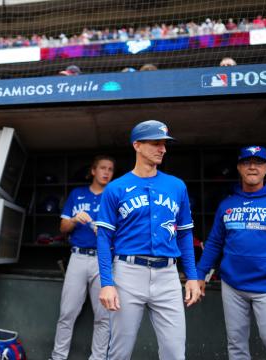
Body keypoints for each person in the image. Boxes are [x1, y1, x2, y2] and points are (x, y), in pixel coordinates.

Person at [95, 120, 201, 360]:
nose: (162, 149)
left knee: (175, 352)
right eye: (155, 143)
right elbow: (103, 238)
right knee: (119, 352)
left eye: (164, 144)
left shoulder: (176, 186)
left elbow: (184, 234)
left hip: (168, 276)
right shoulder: (116, 188)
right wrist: (106, 283)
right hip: (128, 272)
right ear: (137, 145)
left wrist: (192, 276)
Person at [196, 146, 266, 360]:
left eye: (258, 162)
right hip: (233, 286)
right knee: (236, 347)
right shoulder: (227, 204)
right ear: (239, 168)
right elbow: (214, 243)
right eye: (247, 162)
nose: (252, 166)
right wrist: (200, 274)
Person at [49, 155, 115, 360]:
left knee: (104, 317)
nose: (106, 172)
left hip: (103, 259)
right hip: (77, 257)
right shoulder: (77, 194)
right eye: (103, 168)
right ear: (93, 171)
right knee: (67, 313)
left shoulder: (114, 195)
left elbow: (122, 233)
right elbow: (62, 227)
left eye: (110, 169)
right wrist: (76, 219)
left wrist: (103, 231)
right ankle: (58, 357)